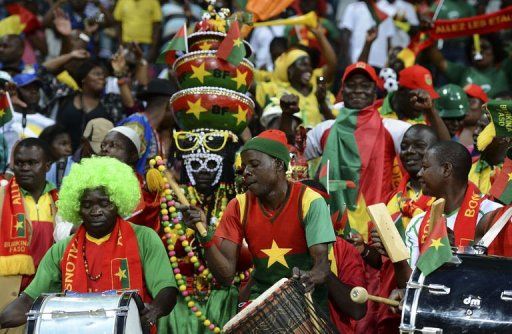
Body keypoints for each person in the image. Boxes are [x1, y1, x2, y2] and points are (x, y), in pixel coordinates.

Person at [0, 157, 177, 332]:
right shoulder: (61, 249)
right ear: (76, 207)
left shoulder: (144, 238)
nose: (96, 211)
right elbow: (27, 301)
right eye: (87, 204)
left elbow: (166, 289)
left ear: (118, 202)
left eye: (104, 203)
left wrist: (153, 311)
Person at [180, 130, 336, 311]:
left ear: (278, 164)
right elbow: (226, 276)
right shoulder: (238, 205)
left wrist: (308, 277)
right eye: (244, 166)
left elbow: (322, 268)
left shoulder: (310, 201)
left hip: (307, 303)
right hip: (262, 303)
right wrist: (203, 234)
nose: (246, 172)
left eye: (254, 164)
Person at [399, 141, 502, 285]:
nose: (419, 173)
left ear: (446, 169)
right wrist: (394, 252)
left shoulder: (494, 215)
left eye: (425, 167)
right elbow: (413, 284)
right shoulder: (418, 223)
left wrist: (454, 253)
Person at [0, 138, 57, 333]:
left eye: (32, 163)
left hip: (48, 296)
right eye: (20, 163)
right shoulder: (1, 195)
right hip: (8, 297)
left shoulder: (62, 201)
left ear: (47, 165)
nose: (24, 168)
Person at [255, 25, 338, 128]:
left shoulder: (318, 90)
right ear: (290, 70)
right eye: (303, 64)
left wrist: (320, 36)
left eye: (309, 65)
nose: (308, 69)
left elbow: (332, 65)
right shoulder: (278, 91)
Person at [100, 126, 161, 232]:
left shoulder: (143, 191)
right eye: (103, 145)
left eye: (113, 145)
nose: (105, 149)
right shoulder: (92, 181)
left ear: (132, 156)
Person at [119, 78, 178, 173]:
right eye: (175, 110)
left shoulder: (152, 129)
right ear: (168, 106)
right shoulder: (136, 124)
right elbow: (120, 165)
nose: (176, 116)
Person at [428, 34, 510, 98]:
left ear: (495, 50)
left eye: (484, 47)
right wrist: (427, 35)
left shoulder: (505, 69)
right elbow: (439, 62)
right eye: (474, 49)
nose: (479, 52)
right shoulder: (463, 72)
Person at [56, 59, 111, 151]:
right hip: (65, 156)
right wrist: (72, 56)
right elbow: (44, 71)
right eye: (97, 74)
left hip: (96, 157)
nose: (102, 77)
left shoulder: (110, 102)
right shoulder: (66, 95)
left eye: (103, 75)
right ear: (83, 78)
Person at [3, 73, 55, 159]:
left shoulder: (49, 123)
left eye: (36, 88)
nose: (34, 91)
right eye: (27, 88)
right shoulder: (5, 116)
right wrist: (9, 102)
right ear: (14, 91)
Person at [339, 0, 395, 70]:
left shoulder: (388, 9)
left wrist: (388, 64)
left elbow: (388, 41)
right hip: (356, 60)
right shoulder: (353, 7)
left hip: (380, 63)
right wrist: (348, 62)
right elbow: (345, 36)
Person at [459, 84, 488, 151]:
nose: (466, 106)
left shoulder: (489, 135)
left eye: (471, 102)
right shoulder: (451, 129)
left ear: (483, 107)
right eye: (463, 101)